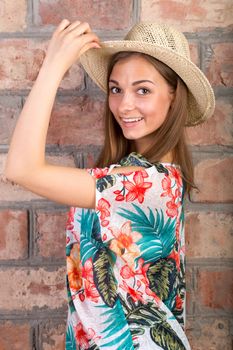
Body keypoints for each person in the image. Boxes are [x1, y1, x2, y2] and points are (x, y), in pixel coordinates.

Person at [4, 19, 215, 350]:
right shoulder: (133, 174)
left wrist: (54, 65)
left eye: (142, 89)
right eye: (116, 89)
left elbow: (21, 168)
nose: (124, 105)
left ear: (174, 98)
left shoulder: (148, 183)